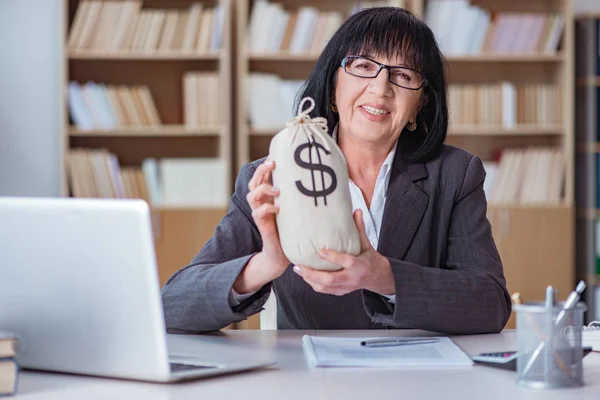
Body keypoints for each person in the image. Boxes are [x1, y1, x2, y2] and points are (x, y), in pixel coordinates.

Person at [161, 7, 512, 334]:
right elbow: (172, 307)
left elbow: (491, 304)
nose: (380, 87)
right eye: (362, 66)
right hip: (311, 383)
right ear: (332, 86)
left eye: (402, 74)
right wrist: (266, 264)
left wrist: (385, 277)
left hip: (417, 382)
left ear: (420, 104)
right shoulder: (274, 174)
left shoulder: (454, 174)